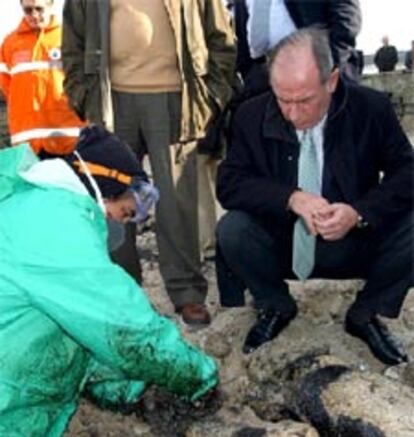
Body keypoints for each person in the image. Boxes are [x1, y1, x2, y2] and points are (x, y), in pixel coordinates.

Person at [0, 125, 218, 437]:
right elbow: (122, 328)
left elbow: (80, 340)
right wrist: (198, 377)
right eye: (127, 211)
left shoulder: (38, 205)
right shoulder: (55, 222)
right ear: (105, 186)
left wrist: (134, 390)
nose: (125, 222)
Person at [216, 28, 413, 364]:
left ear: (332, 81)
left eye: (304, 100)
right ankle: (276, 305)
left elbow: (407, 174)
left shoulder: (371, 109)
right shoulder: (251, 114)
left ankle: (366, 313)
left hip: (353, 240)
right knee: (232, 229)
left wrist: (359, 212)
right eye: (283, 99)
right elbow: (229, 182)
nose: (292, 113)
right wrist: (291, 198)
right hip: (281, 243)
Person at [61, 0, 236, 326]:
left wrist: (211, 97)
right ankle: (122, 293)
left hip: (175, 98)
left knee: (176, 200)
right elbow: (72, 42)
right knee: (111, 200)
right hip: (112, 101)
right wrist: (83, 97)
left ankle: (187, 294)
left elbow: (222, 40)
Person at [0, 0, 84, 158]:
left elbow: (83, 82)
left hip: (67, 136)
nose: (34, 15)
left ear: (51, 6)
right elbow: (7, 87)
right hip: (26, 140)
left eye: (39, 9)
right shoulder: (10, 43)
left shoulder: (70, 39)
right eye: (28, 10)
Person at [233, 0, 362, 96]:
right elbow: (240, 34)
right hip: (262, 81)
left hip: (316, 74)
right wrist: (250, 73)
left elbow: (346, 20)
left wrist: (325, 66)